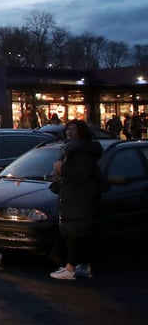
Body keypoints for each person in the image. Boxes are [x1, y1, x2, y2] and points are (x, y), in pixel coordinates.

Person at [49, 119, 102, 280]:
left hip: (78, 199)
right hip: (76, 197)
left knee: (74, 233)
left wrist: (62, 168)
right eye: (68, 129)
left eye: (73, 129)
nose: (69, 132)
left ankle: (70, 268)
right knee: (79, 234)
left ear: (81, 132)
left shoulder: (82, 151)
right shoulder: (73, 149)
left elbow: (80, 175)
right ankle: (83, 266)